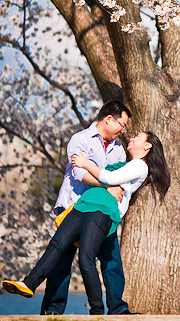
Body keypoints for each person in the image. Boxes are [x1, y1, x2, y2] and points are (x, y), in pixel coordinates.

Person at [2, 131, 171, 315]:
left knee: (86, 259)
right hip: (82, 205)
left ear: (147, 146)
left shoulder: (140, 166)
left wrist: (85, 164)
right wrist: (104, 182)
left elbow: (109, 178)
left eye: (138, 138)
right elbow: (102, 180)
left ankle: (97, 311)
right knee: (56, 246)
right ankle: (28, 284)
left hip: (102, 210)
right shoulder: (127, 164)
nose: (131, 138)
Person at [42, 101, 132, 315]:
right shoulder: (80, 140)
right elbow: (79, 173)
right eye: (122, 124)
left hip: (101, 212)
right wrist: (108, 184)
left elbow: (119, 180)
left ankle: (117, 309)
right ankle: (52, 311)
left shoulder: (118, 149)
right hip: (75, 208)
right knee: (62, 261)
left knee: (112, 260)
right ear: (108, 119)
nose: (123, 129)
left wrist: (112, 185)